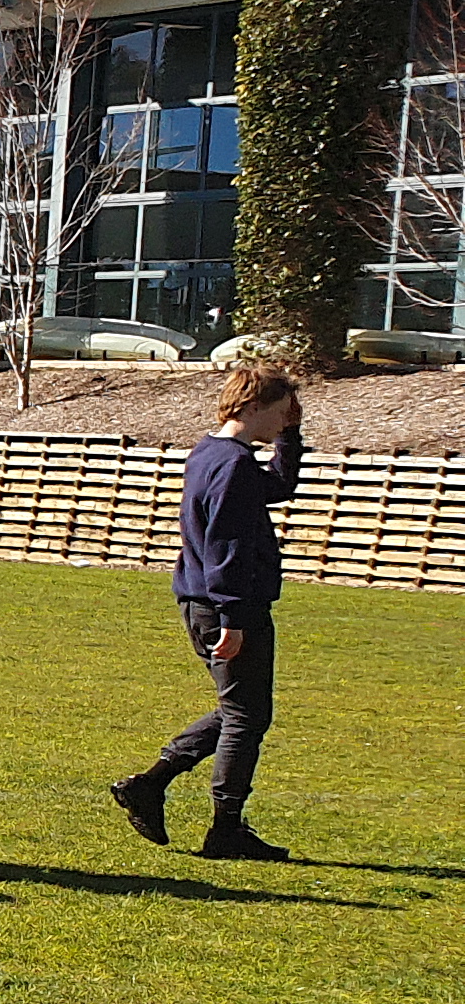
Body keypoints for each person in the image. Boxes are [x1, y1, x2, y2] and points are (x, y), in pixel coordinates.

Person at [112, 365, 305, 862]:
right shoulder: (234, 464)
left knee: (242, 709)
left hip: (206, 601)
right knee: (246, 716)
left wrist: (292, 438)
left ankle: (151, 785)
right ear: (251, 406)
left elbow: (277, 490)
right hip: (223, 605)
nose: (282, 424)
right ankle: (224, 828)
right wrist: (234, 618)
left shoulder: (212, 452)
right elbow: (227, 545)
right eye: (280, 415)